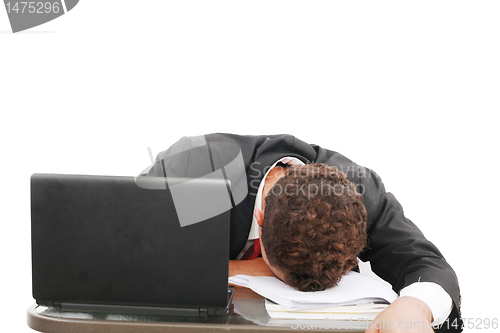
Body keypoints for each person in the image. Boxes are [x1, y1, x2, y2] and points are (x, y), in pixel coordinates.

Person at [142, 133, 462, 333]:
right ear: (261, 215)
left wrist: (415, 308)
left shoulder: (361, 192)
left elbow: (425, 263)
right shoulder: (191, 171)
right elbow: (126, 254)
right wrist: (234, 270)